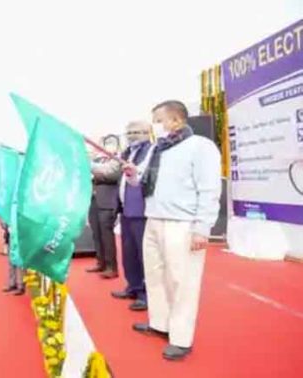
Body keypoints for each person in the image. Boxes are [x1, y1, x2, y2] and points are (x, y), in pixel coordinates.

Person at [126, 100, 221, 361]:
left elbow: (210, 190)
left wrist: (202, 228)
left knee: (182, 281)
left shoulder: (200, 147)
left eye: (158, 120)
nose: (153, 126)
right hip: (153, 219)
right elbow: (141, 179)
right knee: (155, 275)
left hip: (183, 224)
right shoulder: (159, 149)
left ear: (176, 120)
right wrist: (132, 175)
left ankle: (181, 338)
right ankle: (160, 323)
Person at [111, 121, 153, 311]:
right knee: (129, 254)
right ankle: (133, 286)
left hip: (142, 211)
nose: (132, 135)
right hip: (126, 210)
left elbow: (143, 174)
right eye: (129, 132)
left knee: (143, 254)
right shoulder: (127, 152)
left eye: (136, 132)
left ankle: (146, 294)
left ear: (147, 132)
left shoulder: (152, 151)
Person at [86, 135, 122, 279]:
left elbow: (111, 175)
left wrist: (94, 172)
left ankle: (111, 267)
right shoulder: (98, 160)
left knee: (107, 235)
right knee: (96, 233)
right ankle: (100, 262)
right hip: (94, 199)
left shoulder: (118, 159)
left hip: (107, 200)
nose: (107, 146)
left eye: (110, 143)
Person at [2, 223, 25, 295]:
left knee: (18, 261)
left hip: (19, 236)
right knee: (11, 260)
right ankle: (12, 283)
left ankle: (20, 285)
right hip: (11, 236)